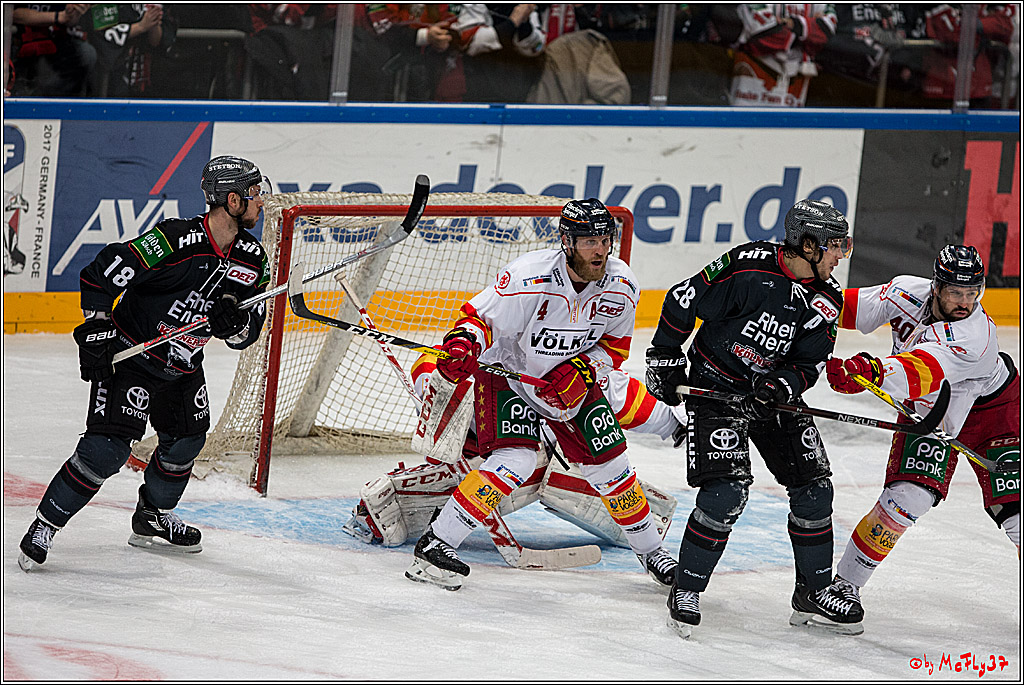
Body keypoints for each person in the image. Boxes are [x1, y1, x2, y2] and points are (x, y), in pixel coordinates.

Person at [404, 198, 678, 591]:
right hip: (511, 374)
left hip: (572, 386)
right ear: (566, 241)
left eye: (605, 239)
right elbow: (477, 321)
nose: (600, 250)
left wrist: (583, 369)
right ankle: (437, 544)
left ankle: (653, 554)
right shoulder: (528, 278)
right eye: (589, 241)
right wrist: (465, 346)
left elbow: (614, 350)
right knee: (514, 460)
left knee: (612, 467)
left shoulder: (621, 286)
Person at [17, 156, 272, 572]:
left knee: (188, 439)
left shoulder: (252, 260)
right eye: (255, 193)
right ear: (232, 199)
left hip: (184, 367)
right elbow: (101, 274)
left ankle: (152, 516)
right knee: (105, 450)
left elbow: (247, 335)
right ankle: (46, 524)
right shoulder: (173, 240)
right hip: (133, 357)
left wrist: (236, 321)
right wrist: (99, 329)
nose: (261, 201)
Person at [645, 199, 862, 639]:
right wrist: (665, 355)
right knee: (725, 491)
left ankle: (813, 591)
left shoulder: (827, 298)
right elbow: (681, 300)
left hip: (770, 400)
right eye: (836, 246)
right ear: (807, 244)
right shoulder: (748, 267)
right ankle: (686, 588)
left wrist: (783, 385)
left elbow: (808, 362)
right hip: (716, 387)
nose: (841, 255)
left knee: (814, 487)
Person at [825, 245, 1020, 624]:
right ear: (936, 287)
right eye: (955, 292)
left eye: (972, 293)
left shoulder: (976, 336)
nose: (965, 302)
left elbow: (921, 372)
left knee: (1017, 512)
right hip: (933, 412)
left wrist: (872, 372)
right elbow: (844, 307)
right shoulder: (903, 292)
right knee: (906, 498)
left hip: (995, 413)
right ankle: (844, 586)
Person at [344, 357, 687, 550]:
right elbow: (429, 369)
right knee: (389, 506)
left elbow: (639, 405)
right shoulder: (483, 365)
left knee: (557, 472)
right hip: (490, 456)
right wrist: (441, 394)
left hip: (547, 454)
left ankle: (643, 530)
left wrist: (677, 426)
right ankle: (405, 519)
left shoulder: (586, 374)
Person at [728, 4, 838, 107]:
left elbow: (826, 31)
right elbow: (761, 33)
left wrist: (790, 24)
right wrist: (807, 32)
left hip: (794, 87)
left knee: (790, 124)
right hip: (751, 87)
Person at [89, 3, 177, 97]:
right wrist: (140, 27)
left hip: (146, 72)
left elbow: (158, 42)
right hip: (112, 69)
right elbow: (101, 33)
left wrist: (153, 22)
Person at [10, 4, 97, 96]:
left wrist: (73, 14)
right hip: (18, 42)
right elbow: (13, 14)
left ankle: (58, 103)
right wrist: (58, 16)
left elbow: (70, 20)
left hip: (55, 41)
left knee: (86, 53)